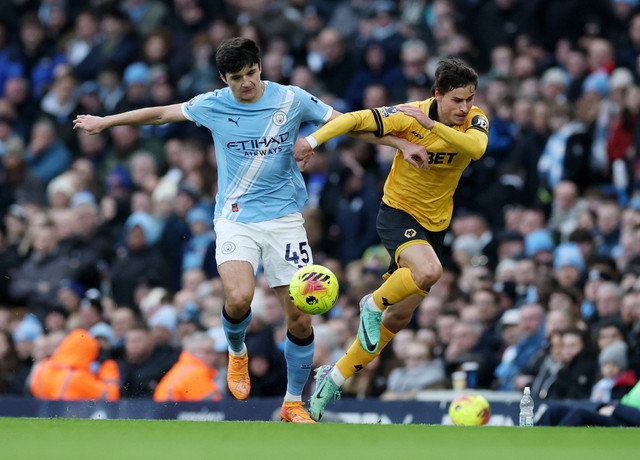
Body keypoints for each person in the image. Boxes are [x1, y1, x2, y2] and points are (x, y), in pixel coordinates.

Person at [74, 37, 412, 423]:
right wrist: (106, 121)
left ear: (260, 67)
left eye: (251, 73)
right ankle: (237, 352)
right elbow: (159, 114)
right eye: (237, 78)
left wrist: (398, 143)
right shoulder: (212, 104)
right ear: (224, 78)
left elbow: (350, 123)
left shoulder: (292, 99)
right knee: (239, 299)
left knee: (300, 317)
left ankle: (292, 403)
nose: (247, 83)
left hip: (285, 220)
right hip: (235, 217)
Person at [294, 57, 489, 420]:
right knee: (429, 272)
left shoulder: (474, 120)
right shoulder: (408, 115)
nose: (464, 107)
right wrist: (313, 140)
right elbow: (353, 120)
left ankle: (332, 378)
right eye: (456, 100)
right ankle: (371, 303)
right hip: (398, 213)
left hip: (436, 224)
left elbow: (476, 149)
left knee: (398, 319)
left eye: (469, 98)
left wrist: (432, 125)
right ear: (437, 94)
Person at [29, 329, 119, 401]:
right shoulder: (78, 378)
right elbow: (110, 396)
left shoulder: (43, 367)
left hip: (42, 419)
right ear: (88, 353)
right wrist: (108, 365)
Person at [153, 331, 223, 402]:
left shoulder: (184, 368)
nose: (214, 356)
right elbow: (215, 403)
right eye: (207, 352)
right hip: (170, 411)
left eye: (214, 352)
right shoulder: (195, 372)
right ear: (192, 352)